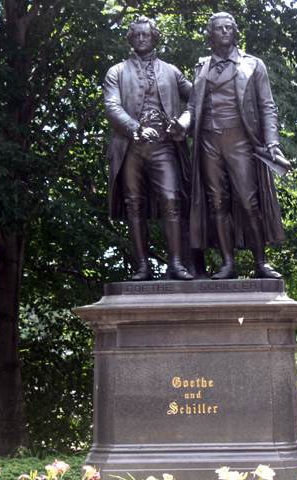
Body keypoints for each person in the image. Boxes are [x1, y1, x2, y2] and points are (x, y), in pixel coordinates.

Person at [175, 12, 287, 280]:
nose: (224, 31)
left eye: (229, 28)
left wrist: (272, 140)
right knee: (216, 203)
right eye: (218, 29)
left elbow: (267, 106)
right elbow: (192, 107)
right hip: (208, 143)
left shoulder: (253, 64)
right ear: (210, 35)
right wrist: (182, 124)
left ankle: (260, 263)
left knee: (249, 202)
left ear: (235, 33)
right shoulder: (201, 67)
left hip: (240, 142)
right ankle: (228, 264)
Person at [104, 16, 194, 281]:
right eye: (137, 35)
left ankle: (176, 265)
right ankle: (142, 267)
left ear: (155, 38)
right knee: (134, 205)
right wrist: (135, 128)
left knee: (171, 200)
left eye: (146, 35)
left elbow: (198, 98)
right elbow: (111, 107)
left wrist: (185, 122)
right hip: (130, 147)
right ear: (131, 39)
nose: (141, 39)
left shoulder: (172, 71)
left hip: (164, 146)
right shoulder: (116, 72)